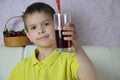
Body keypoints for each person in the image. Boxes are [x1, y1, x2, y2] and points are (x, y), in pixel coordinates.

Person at [9, 2, 97, 80]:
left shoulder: (70, 59)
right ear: (29, 36)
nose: (41, 30)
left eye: (46, 24)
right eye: (33, 27)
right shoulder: (22, 66)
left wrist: (77, 47)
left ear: (57, 26)